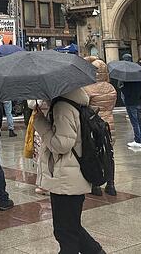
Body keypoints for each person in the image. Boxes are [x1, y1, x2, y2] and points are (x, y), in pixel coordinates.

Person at [33, 88, 103, 254]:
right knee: (70, 228)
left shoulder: (63, 106)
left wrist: (41, 124)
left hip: (67, 178)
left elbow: (61, 145)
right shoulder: (72, 101)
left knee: (65, 232)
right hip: (69, 176)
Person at [83, 59, 117, 196]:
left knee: (95, 153)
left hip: (94, 124)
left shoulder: (88, 88)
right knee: (109, 153)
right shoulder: (111, 88)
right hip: (109, 123)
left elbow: (86, 106)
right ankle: (111, 184)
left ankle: (96, 185)